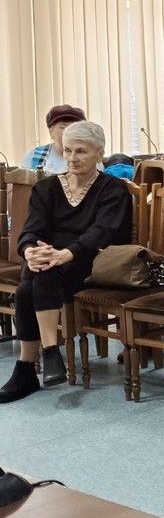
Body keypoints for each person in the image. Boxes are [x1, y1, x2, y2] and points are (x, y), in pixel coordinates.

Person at [1, 122, 132, 403]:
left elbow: (103, 231)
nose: (72, 157)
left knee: (30, 286)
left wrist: (67, 253)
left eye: (81, 151)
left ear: (100, 153)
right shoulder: (46, 187)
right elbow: (31, 230)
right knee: (38, 276)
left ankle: (28, 368)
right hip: (51, 261)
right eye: (68, 150)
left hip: (93, 261)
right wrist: (29, 251)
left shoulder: (112, 188)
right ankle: (49, 354)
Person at [21, 105, 86, 174]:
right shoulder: (34, 156)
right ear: (51, 131)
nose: (69, 132)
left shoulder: (90, 158)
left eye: (74, 128)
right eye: (63, 127)